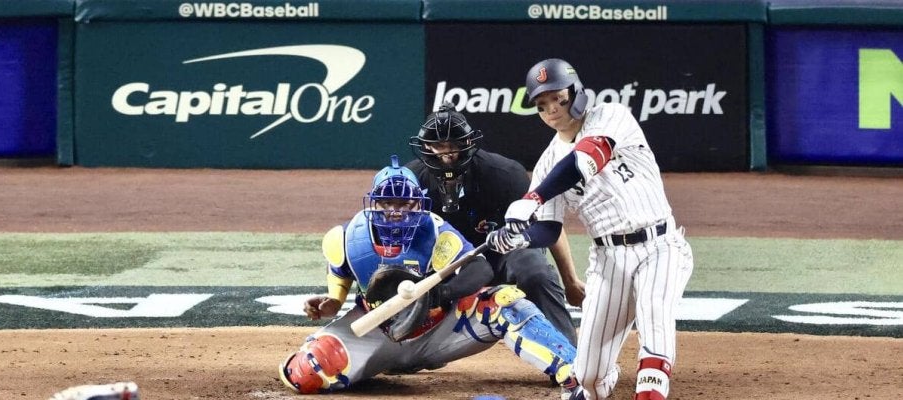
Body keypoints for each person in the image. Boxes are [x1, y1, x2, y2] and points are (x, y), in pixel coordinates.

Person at [279, 155, 580, 397]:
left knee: (506, 302)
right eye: (387, 204)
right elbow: (341, 273)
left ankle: (574, 372)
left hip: (441, 330)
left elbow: (480, 268)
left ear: (418, 203)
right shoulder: (346, 238)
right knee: (303, 373)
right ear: (374, 203)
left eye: (404, 204)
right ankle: (377, 366)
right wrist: (333, 301)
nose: (395, 212)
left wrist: (440, 294)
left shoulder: (435, 230)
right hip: (376, 332)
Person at [485, 59, 694, 400]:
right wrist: (518, 238)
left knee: (655, 326)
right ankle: (600, 381)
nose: (552, 108)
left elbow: (585, 158)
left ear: (577, 92)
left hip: (660, 245)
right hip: (608, 259)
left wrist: (533, 197)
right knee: (587, 376)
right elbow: (548, 229)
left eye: (558, 98)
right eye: (542, 103)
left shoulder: (610, 116)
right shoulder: (547, 163)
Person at [406, 103, 585, 351]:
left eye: (454, 144)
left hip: (502, 253)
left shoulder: (504, 173)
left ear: (468, 142)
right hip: (446, 262)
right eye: (438, 145)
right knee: (405, 275)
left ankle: (569, 354)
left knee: (535, 270)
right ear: (426, 146)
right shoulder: (410, 180)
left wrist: (571, 281)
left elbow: (547, 222)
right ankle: (404, 351)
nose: (446, 153)